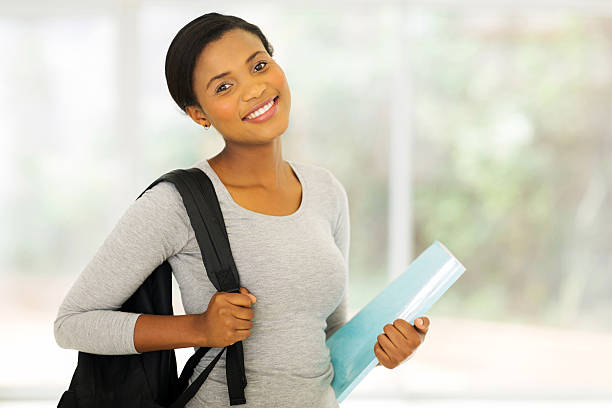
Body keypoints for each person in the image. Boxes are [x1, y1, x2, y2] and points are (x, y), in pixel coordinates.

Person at [53, 12, 430, 407]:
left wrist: (385, 347)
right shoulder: (178, 203)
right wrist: (198, 328)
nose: (254, 89)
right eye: (225, 86)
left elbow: (327, 334)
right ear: (199, 114)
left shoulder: (326, 192)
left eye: (259, 65)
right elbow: (72, 323)